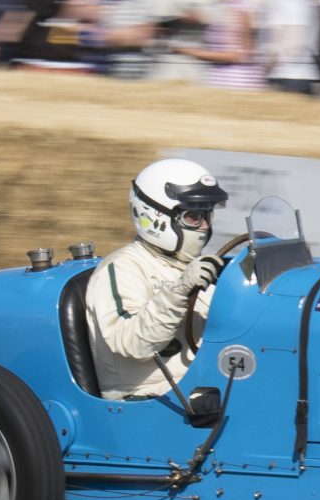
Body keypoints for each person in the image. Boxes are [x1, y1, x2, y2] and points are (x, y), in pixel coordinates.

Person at [86, 159, 229, 401]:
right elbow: (131, 343)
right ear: (155, 218)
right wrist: (179, 292)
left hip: (198, 381)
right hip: (145, 396)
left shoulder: (192, 266)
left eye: (208, 215)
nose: (204, 226)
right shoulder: (123, 266)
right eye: (193, 216)